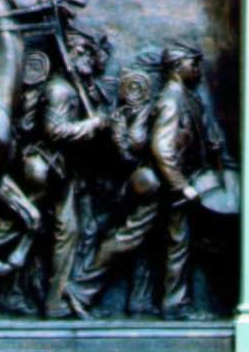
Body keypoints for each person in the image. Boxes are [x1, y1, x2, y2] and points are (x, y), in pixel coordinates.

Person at [67, 43, 224, 321]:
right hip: (161, 184)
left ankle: (173, 306)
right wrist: (180, 186)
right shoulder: (171, 100)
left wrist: (209, 147)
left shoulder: (186, 98)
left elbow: (184, 141)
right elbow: (161, 148)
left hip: (170, 182)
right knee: (133, 238)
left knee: (172, 242)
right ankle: (80, 290)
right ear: (176, 66)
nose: (199, 69)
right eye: (194, 63)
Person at [38, 31, 110, 319]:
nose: (93, 64)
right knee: (67, 233)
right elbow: (55, 131)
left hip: (75, 172)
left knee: (88, 232)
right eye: (89, 57)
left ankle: (74, 296)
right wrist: (93, 124)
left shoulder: (76, 86)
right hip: (54, 171)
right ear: (76, 55)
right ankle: (55, 303)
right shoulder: (59, 89)